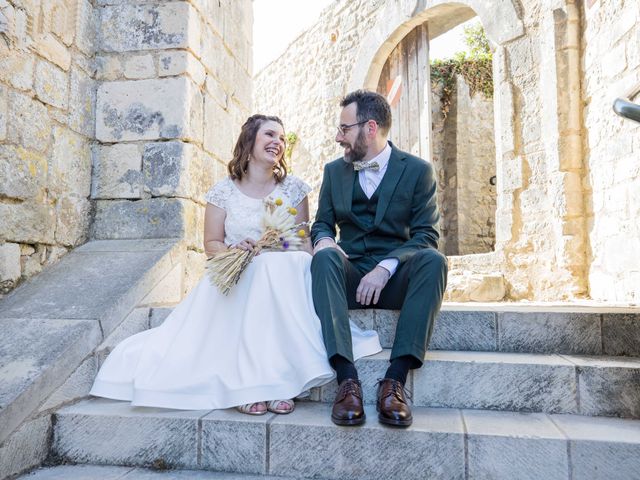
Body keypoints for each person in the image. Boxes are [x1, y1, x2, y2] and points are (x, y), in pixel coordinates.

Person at [90, 114, 381, 415]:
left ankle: (278, 382)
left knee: (280, 267)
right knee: (258, 271)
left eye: (282, 138)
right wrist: (233, 250)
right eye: (269, 135)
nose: (277, 143)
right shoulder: (223, 192)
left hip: (284, 275)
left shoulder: (294, 189)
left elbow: (302, 241)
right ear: (249, 140)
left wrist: (305, 254)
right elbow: (211, 244)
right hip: (238, 269)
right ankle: (248, 383)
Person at [311, 90, 447, 427]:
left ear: (370, 127)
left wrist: (386, 269)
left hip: (395, 277)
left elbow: (426, 234)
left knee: (434, 260)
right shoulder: (333, 172)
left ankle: (395, 381)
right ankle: (347, 380)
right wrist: (326, 239)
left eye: (344, 128)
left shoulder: (418, 171)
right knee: (324, 257)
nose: (338, 136)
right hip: (350, 274)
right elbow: (322, 224)